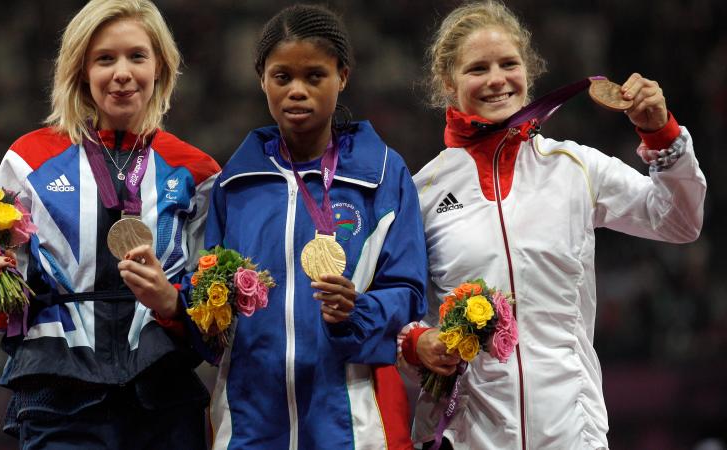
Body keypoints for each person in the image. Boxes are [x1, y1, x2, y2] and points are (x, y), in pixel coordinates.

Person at [396, 1, 707, 449]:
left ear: (529, 71)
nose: (497, 79)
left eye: (509, 63)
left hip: (571, 431)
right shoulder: (420, 192)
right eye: (477, 68)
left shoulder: (574, 167)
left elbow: (678, 221)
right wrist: (418, 343)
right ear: (448, 82)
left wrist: (660, 134)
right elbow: (395, 317)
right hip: (467, 436)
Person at [0, 0, 220, 448]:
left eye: (136, 56)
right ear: (81, 69)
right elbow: (1, 304)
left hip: (162, 394)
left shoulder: (196, 171)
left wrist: (170, 302)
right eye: (105, 58)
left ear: (160, 65)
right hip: (59, 395)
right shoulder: (29, 159)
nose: (121, 72)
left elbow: (212, 316)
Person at [190, 4, 425, 449]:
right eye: (283, 77)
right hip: (249, 421)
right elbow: (208, 303)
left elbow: (409, 293)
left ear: (343, 76)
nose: (297, 91)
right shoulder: (234, 185)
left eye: (314, 76)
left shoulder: (383, 176)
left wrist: (357, 312)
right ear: (262, 79)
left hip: (352, 420)